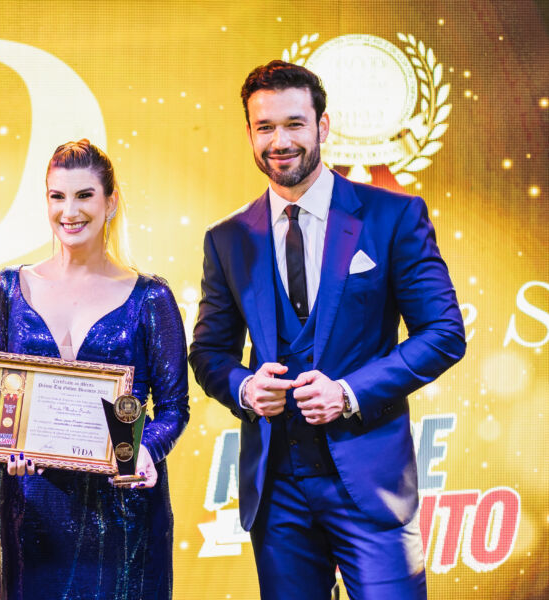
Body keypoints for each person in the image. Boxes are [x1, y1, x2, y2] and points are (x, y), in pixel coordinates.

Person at [189, 60, 466, 599]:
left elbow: (444, 332)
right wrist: (245, 388)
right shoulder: (227, 238)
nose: (280, 141)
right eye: (265, 127)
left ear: (323, 126)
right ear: (249, 133)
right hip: (277, 491)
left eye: (294, 124)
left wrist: (349, 392)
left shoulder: (393, 216)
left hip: (372, 486)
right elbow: (208, 352)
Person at [0, 139, 190, 600]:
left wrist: (143, 449)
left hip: (123, 509)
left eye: (84, 195)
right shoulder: (9, 289)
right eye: (57, 196)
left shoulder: (151, 297)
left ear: (110, 202)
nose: (69, 211)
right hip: (33, 504)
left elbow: (175, 408)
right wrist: (4, 443)